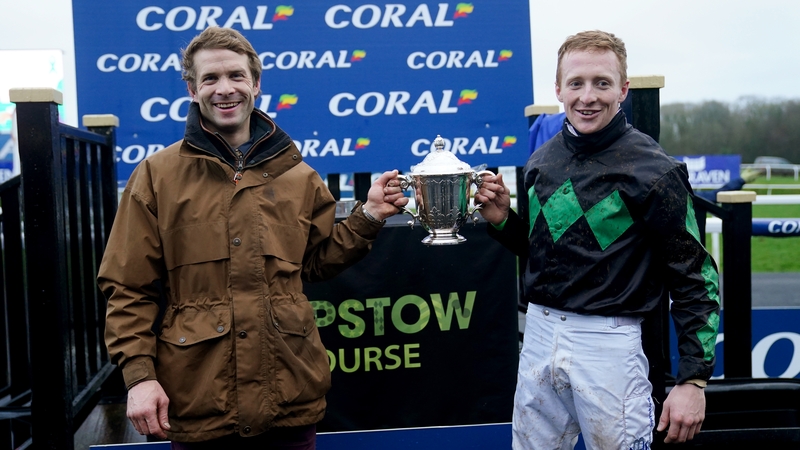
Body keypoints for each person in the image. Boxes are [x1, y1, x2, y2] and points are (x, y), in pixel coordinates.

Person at [98, 26, 408, 448]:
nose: (225, 89)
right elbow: (128, 287)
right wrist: (139, 377)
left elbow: (316, 262)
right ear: (192, 89)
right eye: (210, 79)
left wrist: (369, 216)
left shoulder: (299, 176)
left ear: (256, 84)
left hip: (289, 399)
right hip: (197, 400)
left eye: (236, 76)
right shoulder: (157, 176)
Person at [475, 30, 720, 449]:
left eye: (602, 83)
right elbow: (545, 254)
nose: (588, 96)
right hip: (539, 333)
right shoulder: (542, 160)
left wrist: (693, 380)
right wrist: (503, 221)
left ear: (622, 89)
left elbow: (697, 278)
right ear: (559, 89)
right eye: (576, 83)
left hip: (610, 345)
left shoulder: (655, 170)